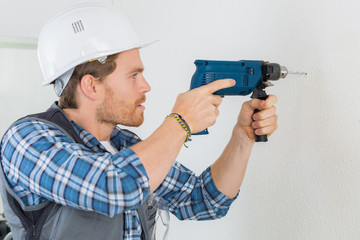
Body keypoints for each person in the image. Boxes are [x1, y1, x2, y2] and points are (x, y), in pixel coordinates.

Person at [0, 3, 278, 240]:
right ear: (91, 86)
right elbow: (113, 187)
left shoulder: (124, 145)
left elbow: (204, 200)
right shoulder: (27, 139)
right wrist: (179, 121)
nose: (146, 86)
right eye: (134, 75)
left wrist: (242, 136)